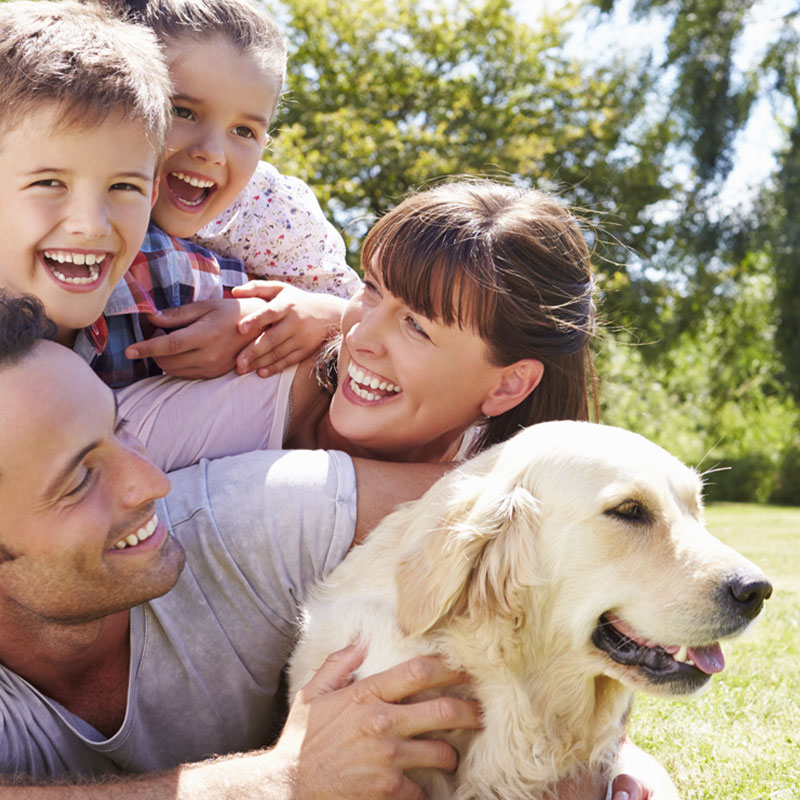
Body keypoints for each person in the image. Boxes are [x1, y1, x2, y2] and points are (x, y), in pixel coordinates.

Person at [0, 291, 654, 800]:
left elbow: (557, 526)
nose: (151, 482)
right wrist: (280, 780)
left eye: (121, 429)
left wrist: (602, 760)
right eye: (80, 480)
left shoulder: (251, 516)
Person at [118, 180, 597, 470]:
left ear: (509, 385)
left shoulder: (518, 509)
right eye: (371, 289)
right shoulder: (250, 386)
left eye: (417, 326)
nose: (359, 336)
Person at [110, 0, 363, 380]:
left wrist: (297, 318)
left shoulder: (269, 211)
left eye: (244, 131)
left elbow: (356, 312)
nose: (212, 152)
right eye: (183, 111)